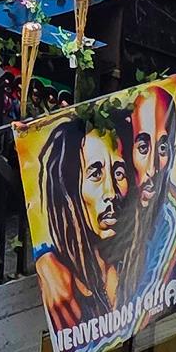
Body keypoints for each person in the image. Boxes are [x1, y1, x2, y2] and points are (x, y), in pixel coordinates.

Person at [32, 118, 126, 332]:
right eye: (95, 174)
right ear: (69, 188)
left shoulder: (134, 259)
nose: (111, 193)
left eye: (118, 173)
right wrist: (43, 258)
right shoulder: (57, 273)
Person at [115, 84, 176, 317]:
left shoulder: (170, 219)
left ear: (173, 152)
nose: (153, 168)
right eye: (143, 147)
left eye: (162, 148)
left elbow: (139, 310)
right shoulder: (116, 199)